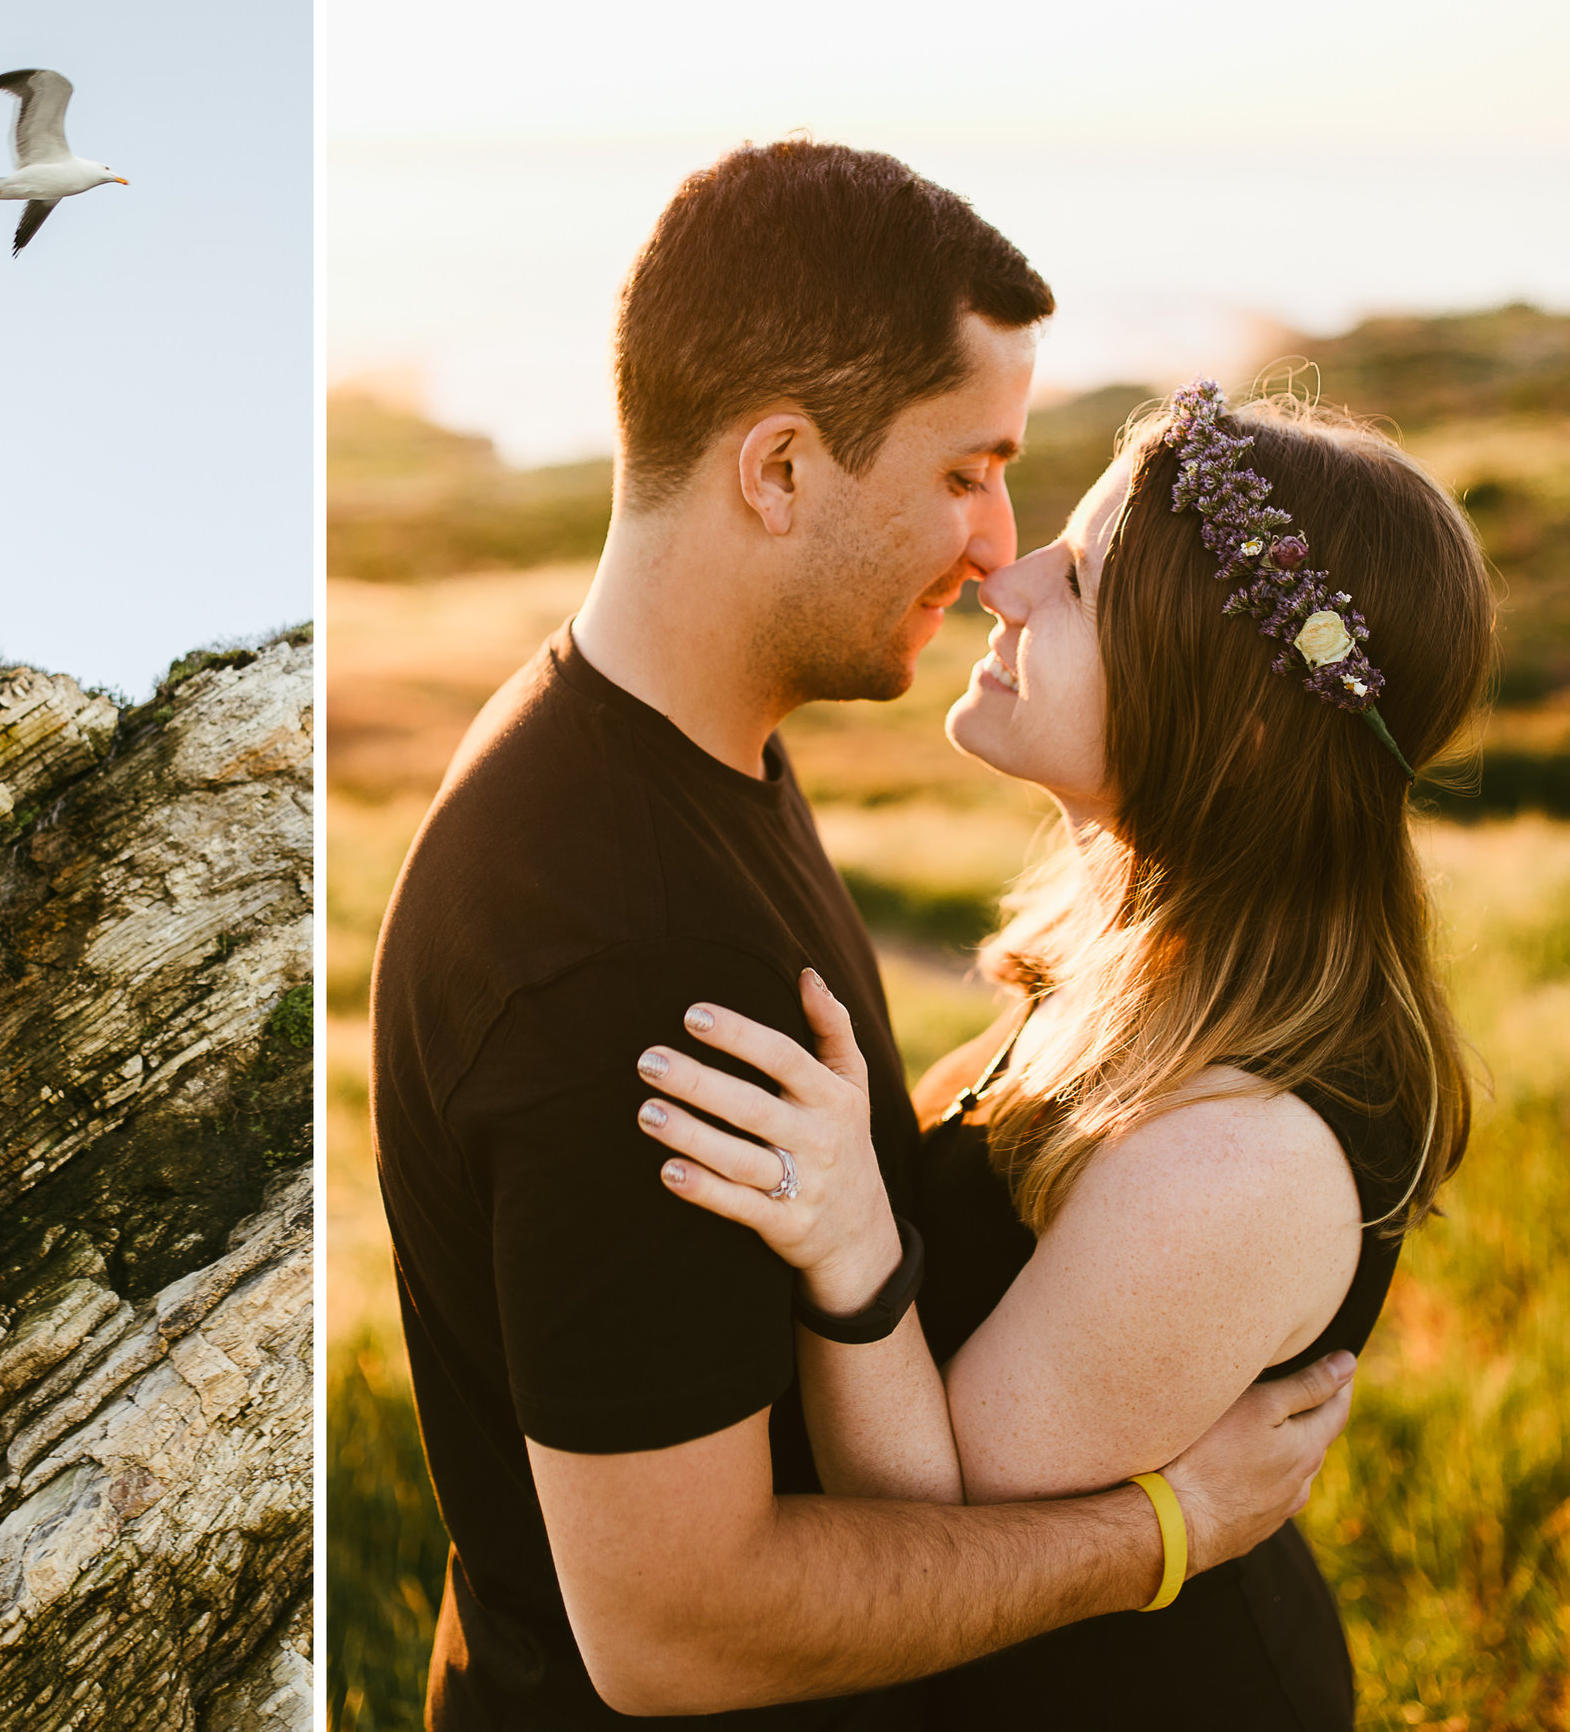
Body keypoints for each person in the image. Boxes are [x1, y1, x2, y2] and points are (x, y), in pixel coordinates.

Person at [368, 140, 1359, 1729]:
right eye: (965, 469)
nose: (995, 547)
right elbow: (679, 1632)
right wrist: (1165, 1527)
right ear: (777, 470)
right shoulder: (630, 951)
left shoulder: (701, 746)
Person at [636, 379, 1491, 1726]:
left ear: (1234, 716)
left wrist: (851, 1243)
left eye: (1083, 578)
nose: (1005, 576)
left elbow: (944, 1527)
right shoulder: (1150, 956)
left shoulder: (1241, 1149)